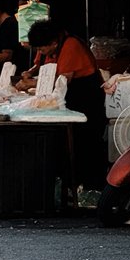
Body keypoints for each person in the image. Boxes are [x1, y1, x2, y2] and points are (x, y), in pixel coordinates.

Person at [17, 19, 108, 194]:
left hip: (85, 98)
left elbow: (63, 80)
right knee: (67, 142)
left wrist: (30, 84)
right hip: (67, 98)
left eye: (42, 48)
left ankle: (90, 189)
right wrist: (30, 72)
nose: (40, 52)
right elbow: (39, 63)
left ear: (53, 43)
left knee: (85, 142)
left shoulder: (71, 45)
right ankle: (68, 186)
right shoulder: (47, 46)